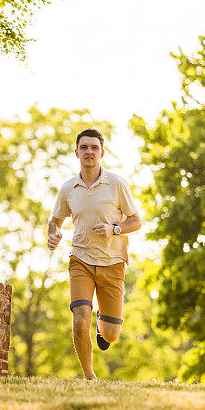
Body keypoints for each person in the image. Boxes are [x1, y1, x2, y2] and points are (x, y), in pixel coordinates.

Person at [47, 128, 142, 380]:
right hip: (81, 260)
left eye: (94, 147)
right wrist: (53, 234)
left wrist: (114, 228)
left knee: (111, 335)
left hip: (112, 264)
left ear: (102, 152)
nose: (89, 152)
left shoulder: (117, 184)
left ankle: (103, 325)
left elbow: (136, 221)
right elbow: (55, 221)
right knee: (80, 319)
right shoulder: (69, 188)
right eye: (84, 147)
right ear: (76, 152)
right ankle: (89, 378)